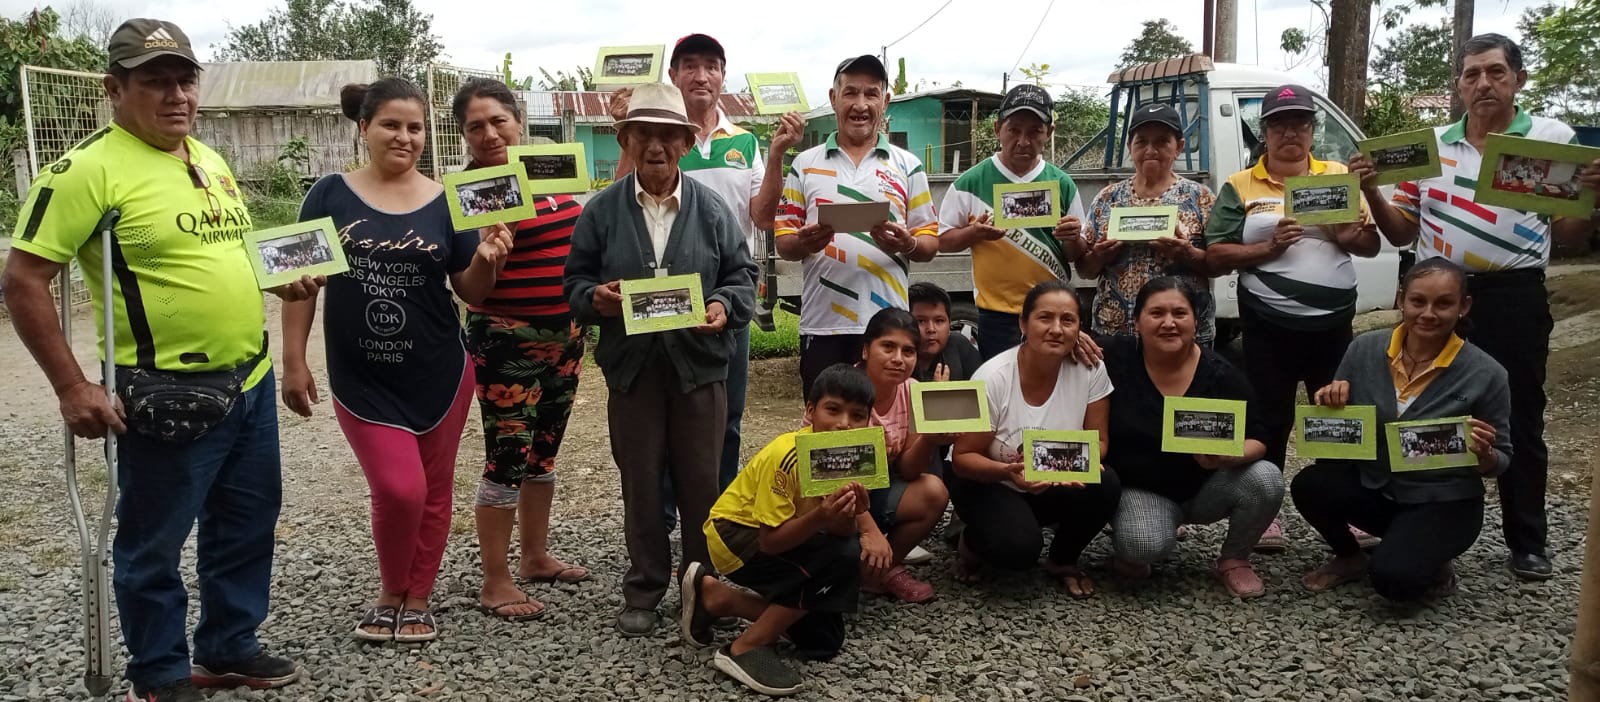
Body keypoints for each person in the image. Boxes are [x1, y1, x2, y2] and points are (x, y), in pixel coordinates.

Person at [0, 19, 320, 701]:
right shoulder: (86, 171)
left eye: (185, 80)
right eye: (156, 82)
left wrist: (276, 280)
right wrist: (72, 386)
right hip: (165, 391)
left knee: (246, 522)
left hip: (250, 378)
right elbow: (24, 279)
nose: (177, 95)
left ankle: (228, 644)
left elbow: (221, 252)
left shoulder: (206, 158)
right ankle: (160, 673)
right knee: (154, 542)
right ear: (114, 89)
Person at [1350, 33, 1600, 581]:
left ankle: (1527, 541)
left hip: (1513, 293)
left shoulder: (1551, 140)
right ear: (1459, 86)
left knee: (1522, 415)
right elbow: (1402, 232)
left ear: (1518, 79)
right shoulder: (1429, 147)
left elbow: (1571, 237)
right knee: (1415, 406)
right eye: (1471, 75)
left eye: (1495, 72)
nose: (1483, 83)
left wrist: (1591, 198)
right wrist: (1371, 193)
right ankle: (1415, 522)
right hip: (1436, 297)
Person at [280, 77, 512, 643]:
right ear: (364, 128)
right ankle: (390, 591)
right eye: (390, 125)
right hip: (361, 377)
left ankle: (419, 597)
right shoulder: (329, 195)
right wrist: (293, 359)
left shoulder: (447, 200)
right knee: (399, 488)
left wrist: (488, 259)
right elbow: (299, 282)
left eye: (415, 128)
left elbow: (470, 291)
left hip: (440, 372)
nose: (404, 137)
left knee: (433, 490)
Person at [564, 82, 757, 636]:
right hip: (633, 371)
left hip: (699, 369)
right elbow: (575, 282)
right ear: (624, 140)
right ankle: (644, 586)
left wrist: (722, 306)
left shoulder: (711, 209)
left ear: (686, 144)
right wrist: (595, 299)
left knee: (702, 482)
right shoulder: (602, 211)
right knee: (641, 482)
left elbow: (742, 275)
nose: (656, 146)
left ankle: (701, 585)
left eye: (669, 135)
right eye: (643, 134)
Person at [610, 34, 806, 529]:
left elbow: (763, 217)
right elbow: (619, 199)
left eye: (711, 66)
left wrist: (777, 153)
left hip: (723, 298)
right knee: (658, 416)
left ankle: (716, 518)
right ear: (673, 75)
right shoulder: (658, 134)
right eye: (690, 65)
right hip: (655, 298)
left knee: (725, 416)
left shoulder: (743, 142)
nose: (701, 75)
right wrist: (626, 136)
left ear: (723, 75)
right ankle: (662, 521)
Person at [1203, 84, 1380, 553]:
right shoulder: (1241, 184)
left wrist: (1349, 235)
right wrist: (1269, 247)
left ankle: (1348, 508)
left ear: (1312, 130)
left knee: (1338, 413)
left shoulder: (1339, 176)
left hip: (1333, 324)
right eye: (1279, 124)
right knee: (1270, 415)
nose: (1290, 133)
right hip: (1267, 325)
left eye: (1299, 123)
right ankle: (1265, 512)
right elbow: (1215, 254)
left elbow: (1371, 244)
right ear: (1264, 132)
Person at [451, 77, 590, 623]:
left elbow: (595, 219)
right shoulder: (471, 192)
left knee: (544, 452)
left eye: (498, 121)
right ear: (463, 135)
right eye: (475, 126)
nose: (489, 134)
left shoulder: (550, 171)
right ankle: (495, 579)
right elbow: (472, 288)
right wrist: (491, 253)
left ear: (519, 122)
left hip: (567, 338)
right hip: (505, 341)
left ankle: (534, 557)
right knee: (507, 456)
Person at [1293, 258, 1512, 602]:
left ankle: (1431, 553)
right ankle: (1351, 557)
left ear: (1464, 306)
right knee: (1309, 484)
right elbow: (1339, 435)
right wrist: (1329, 401)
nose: (1428, 313)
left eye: (1443, 303)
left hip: (1444, 501)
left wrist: (1484, 455)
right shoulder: (1364, 349)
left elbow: (1503, 460)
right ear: (1401, 300)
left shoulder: (1487, 373)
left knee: (1395, 582)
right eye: (1418, 301)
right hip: (1377, 488)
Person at [680, 364, 879, 697]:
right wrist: (823, 517)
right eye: (833, 410)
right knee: (844, 558)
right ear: (810, 411)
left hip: (787, 533)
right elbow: (770, 542)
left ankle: (717, 598)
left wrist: (849, 514)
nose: (844, 423)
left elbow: (841, 532)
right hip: (735, 534)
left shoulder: (852, 457)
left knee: (823, 641)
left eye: (857, 415)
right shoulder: (786, 455)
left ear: (869, 421)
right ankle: (745, 646)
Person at [1099, 278, 1282, 598]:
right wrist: (1076, 340)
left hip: (1206, 487)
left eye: (1179, 313)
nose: (1169, 322)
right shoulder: (1113, 357)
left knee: (1267, 478)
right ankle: (1140, 536)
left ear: (1196, 322)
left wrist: (1229, 456)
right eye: (1156, 313)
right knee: (1142, 545)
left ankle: (1234, 558)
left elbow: (1259, 438)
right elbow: (1057, 339)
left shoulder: (1222, 374)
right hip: (1142, 488)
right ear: (1137, 321)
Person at [775, 54, 939, 395]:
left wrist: (907, 243)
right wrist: (805, 242)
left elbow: (929, 244)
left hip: (889, 330)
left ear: (885, 102)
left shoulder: (908, 166)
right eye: (850, 92)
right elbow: (784, 243)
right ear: (834, 98)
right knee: (828, 424)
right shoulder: (804, 164)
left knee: (889, 423)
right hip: (823, 326)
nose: (860, 105)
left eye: (871, 94)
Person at [950, 282, 1123, 597]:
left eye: (1068, 320)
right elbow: (962, 459)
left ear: (1079, 329)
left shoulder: (1090, 369)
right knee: (1016, 551)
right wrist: (1009, 472)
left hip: (1052, 477)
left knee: (1105, 483)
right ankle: (971, 540)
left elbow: (1099, 443)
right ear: (1023, 323)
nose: (1056, 329)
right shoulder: (993, 377)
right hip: (989, 480)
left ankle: (1063, 561)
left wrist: (1069, 466)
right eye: (1045, 318)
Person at [936, 84, 1087, 361]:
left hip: (1052, 313)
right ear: (997, 130)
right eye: (1014, 130)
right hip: (997, 316)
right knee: (1001, 386)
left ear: (1049, 132)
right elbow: (942, 241)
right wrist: (974, 233)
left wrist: (1073, 238)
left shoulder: (1063, 184)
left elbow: (1075, 254)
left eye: (1034, 132)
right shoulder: (969, 183)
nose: (1023, 141)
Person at [1079, 103, 1218, 346]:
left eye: (1162, 141)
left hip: (1179, 337)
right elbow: (1085, 270)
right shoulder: (1107, 198)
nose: (1150, 150)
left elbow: (1218, 266)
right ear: (1130, 147)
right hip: (1116, 334)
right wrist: (1099, 256)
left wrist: (1187, 253)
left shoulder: (1201, 198)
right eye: (1142, 141)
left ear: (1179, 147)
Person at [854, 308, 951, 602]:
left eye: (908, 351)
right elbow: (828, 476)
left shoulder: (912, 391)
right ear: (866, 350)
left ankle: (879, 571)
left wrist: (929, 438)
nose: (899, 359)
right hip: (830, 498)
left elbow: (909, 470)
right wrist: (868, 531)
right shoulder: (844, 390)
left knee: (933, 491)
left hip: (876, 492)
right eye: (888, 347)